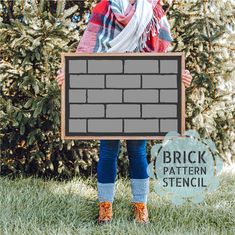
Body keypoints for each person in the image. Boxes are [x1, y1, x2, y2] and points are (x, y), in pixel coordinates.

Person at [56, 0, 192, 224]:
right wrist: (68, 73)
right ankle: (105, 208)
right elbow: (87, 49)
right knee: (108, 150)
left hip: (142, 84)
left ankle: (141, 208)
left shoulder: (153, 11)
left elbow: (163, 54)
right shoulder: (104, 8)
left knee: (137, 151)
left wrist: (179, 75)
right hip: (106, 83)